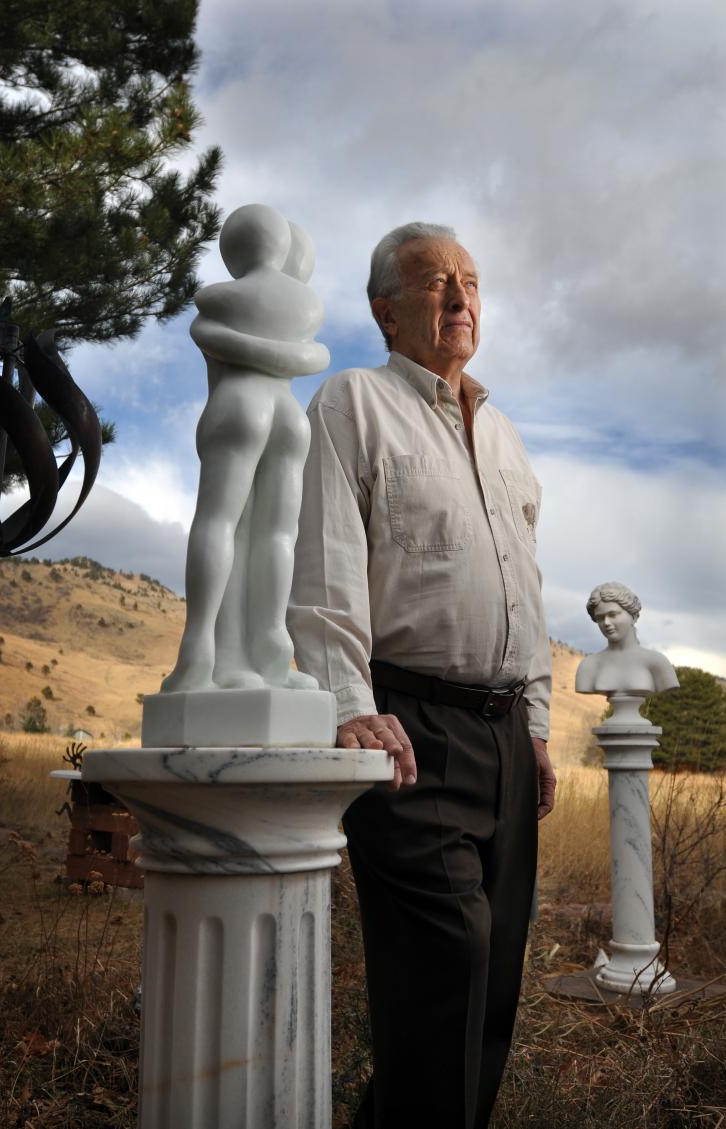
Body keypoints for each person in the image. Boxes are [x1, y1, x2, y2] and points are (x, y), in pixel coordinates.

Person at [288, 221, 555, 1128]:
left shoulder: (508, 436)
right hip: (409, 728)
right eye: (434, 280)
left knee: (493, 990)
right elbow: (323, 566)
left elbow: (527, 585)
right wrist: (349, 706)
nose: (459, 295)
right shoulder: (353, 404)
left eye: (470, 280)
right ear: (384, 311)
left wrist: (542, 723)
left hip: (507, 733)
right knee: (450, 961)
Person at [162, 204, 328, 693]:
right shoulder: (304, 305)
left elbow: (207, 334)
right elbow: (315, 355)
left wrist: (249, 349)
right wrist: (284, 357)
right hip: (287, 416)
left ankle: (203, 655)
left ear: (231, 250)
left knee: (221, 525)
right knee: (276, 536)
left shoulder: (217, 299)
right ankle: (269, 655)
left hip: (238, 408)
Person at [576, 581, 679, 694]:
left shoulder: (658, 662)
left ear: (634, 617)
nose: (606, 622)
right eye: (600, 618)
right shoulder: (588, 666)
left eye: (613, 615)